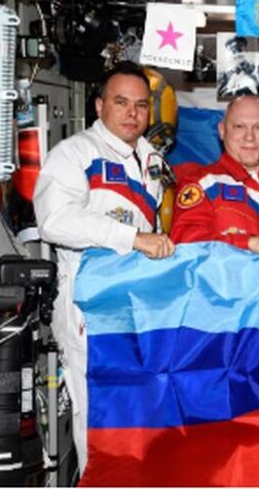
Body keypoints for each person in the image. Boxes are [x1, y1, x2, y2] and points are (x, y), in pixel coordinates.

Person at [33, 61, 175, 474]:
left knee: (137, 421)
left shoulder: (150, 158)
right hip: (88, 310)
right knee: (97, 423)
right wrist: (130, 239)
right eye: (121, 102)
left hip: (136, 308)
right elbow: (54, 222)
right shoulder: (75, 154)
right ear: (99, 106)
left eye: (141, 105)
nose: (132, 113)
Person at [170, 95, 259, 261]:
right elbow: (186, 243)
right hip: (230, 285)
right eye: (239, 127)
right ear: (222, 130)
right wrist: (249, 243)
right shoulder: (201, 184)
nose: (249, 137)